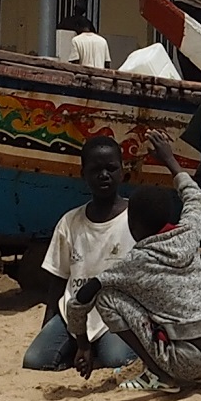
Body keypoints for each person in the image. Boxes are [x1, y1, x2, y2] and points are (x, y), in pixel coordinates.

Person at [57, 134, 201, 392]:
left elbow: (83, 297)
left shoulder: (136, 261)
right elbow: (196, 198)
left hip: (184, 361)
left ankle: (158, 374)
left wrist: (82, 342)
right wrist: (169, 160)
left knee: (107, 297)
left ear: (133, 225)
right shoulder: (190, 232)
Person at [21, 135, 140, 373]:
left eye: (111, 168)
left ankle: (97, 350)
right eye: (96, 170)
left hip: (118, 315)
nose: (104, 175)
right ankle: (82, 349)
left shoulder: (136, 219)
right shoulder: (70, 222)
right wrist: (48, 326)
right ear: (82, 173)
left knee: (115, 359)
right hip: (76, 314)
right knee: (36, 360)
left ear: (122, 171)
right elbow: (58, 280)